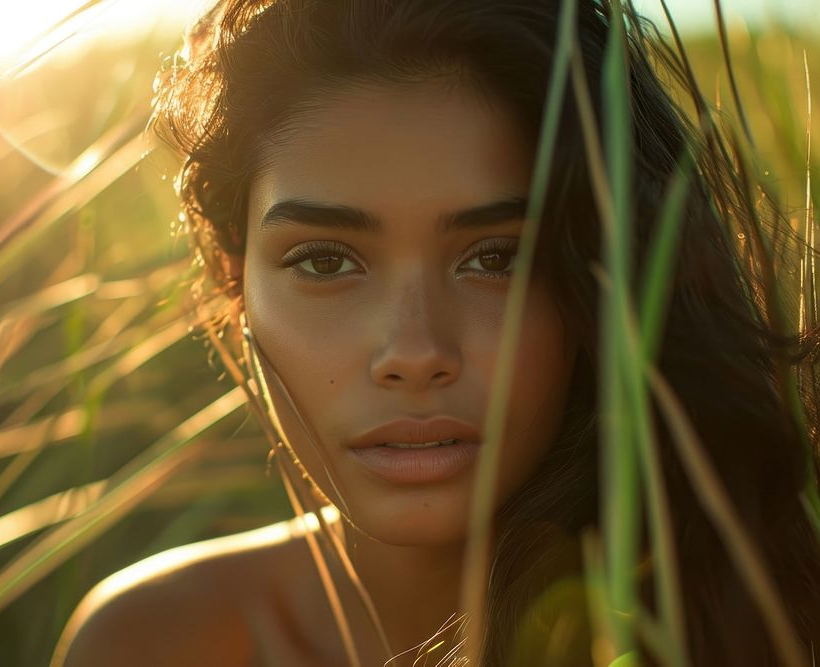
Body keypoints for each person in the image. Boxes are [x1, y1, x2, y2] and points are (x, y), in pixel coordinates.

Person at [52, 0, 820, 665]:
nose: (415, 352)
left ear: (604, 274)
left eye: (498, 258)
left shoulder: (758, 618)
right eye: (324, 260)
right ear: (233, 280)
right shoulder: (147, 644)